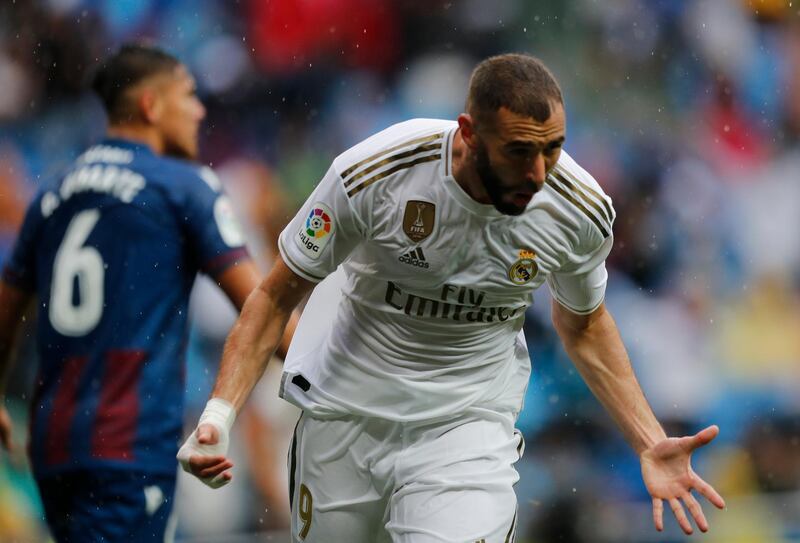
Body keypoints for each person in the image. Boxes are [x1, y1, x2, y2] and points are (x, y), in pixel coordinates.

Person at [178, 53, 726, 541]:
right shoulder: (373, 174)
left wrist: (648, 439)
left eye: (553, 149)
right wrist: (220, 413)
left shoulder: (577, 210)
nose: (538, 173)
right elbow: (275, 297)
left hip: (465, 429)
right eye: (519, 151)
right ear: (467, 132)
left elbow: (583, 323)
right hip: (343, 416)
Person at [0, 43, 288, 542]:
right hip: (128, 442)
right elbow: (263, 311)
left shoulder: (53, 191)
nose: (198, 111)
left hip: (54, 444)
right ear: (152, 107)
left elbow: (5, 312)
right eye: (189, 95)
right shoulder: (183, 186)